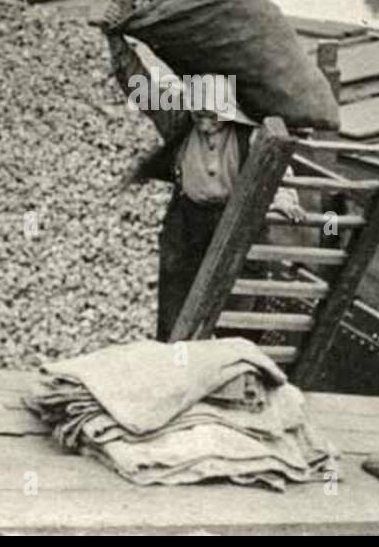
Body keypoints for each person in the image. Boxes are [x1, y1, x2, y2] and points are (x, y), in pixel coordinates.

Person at [102, 21, 305, 341]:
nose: (205, 123)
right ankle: (176, 364)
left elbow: (277, 170)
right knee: (177, 306)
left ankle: (233, 367)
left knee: (238, 308)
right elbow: (141, 88)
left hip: (234, 221)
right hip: (188, 222)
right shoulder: (179, 122)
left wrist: (283, 200)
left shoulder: (248, 136)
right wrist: (117, 45)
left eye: (212, 116)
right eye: (199, 115)